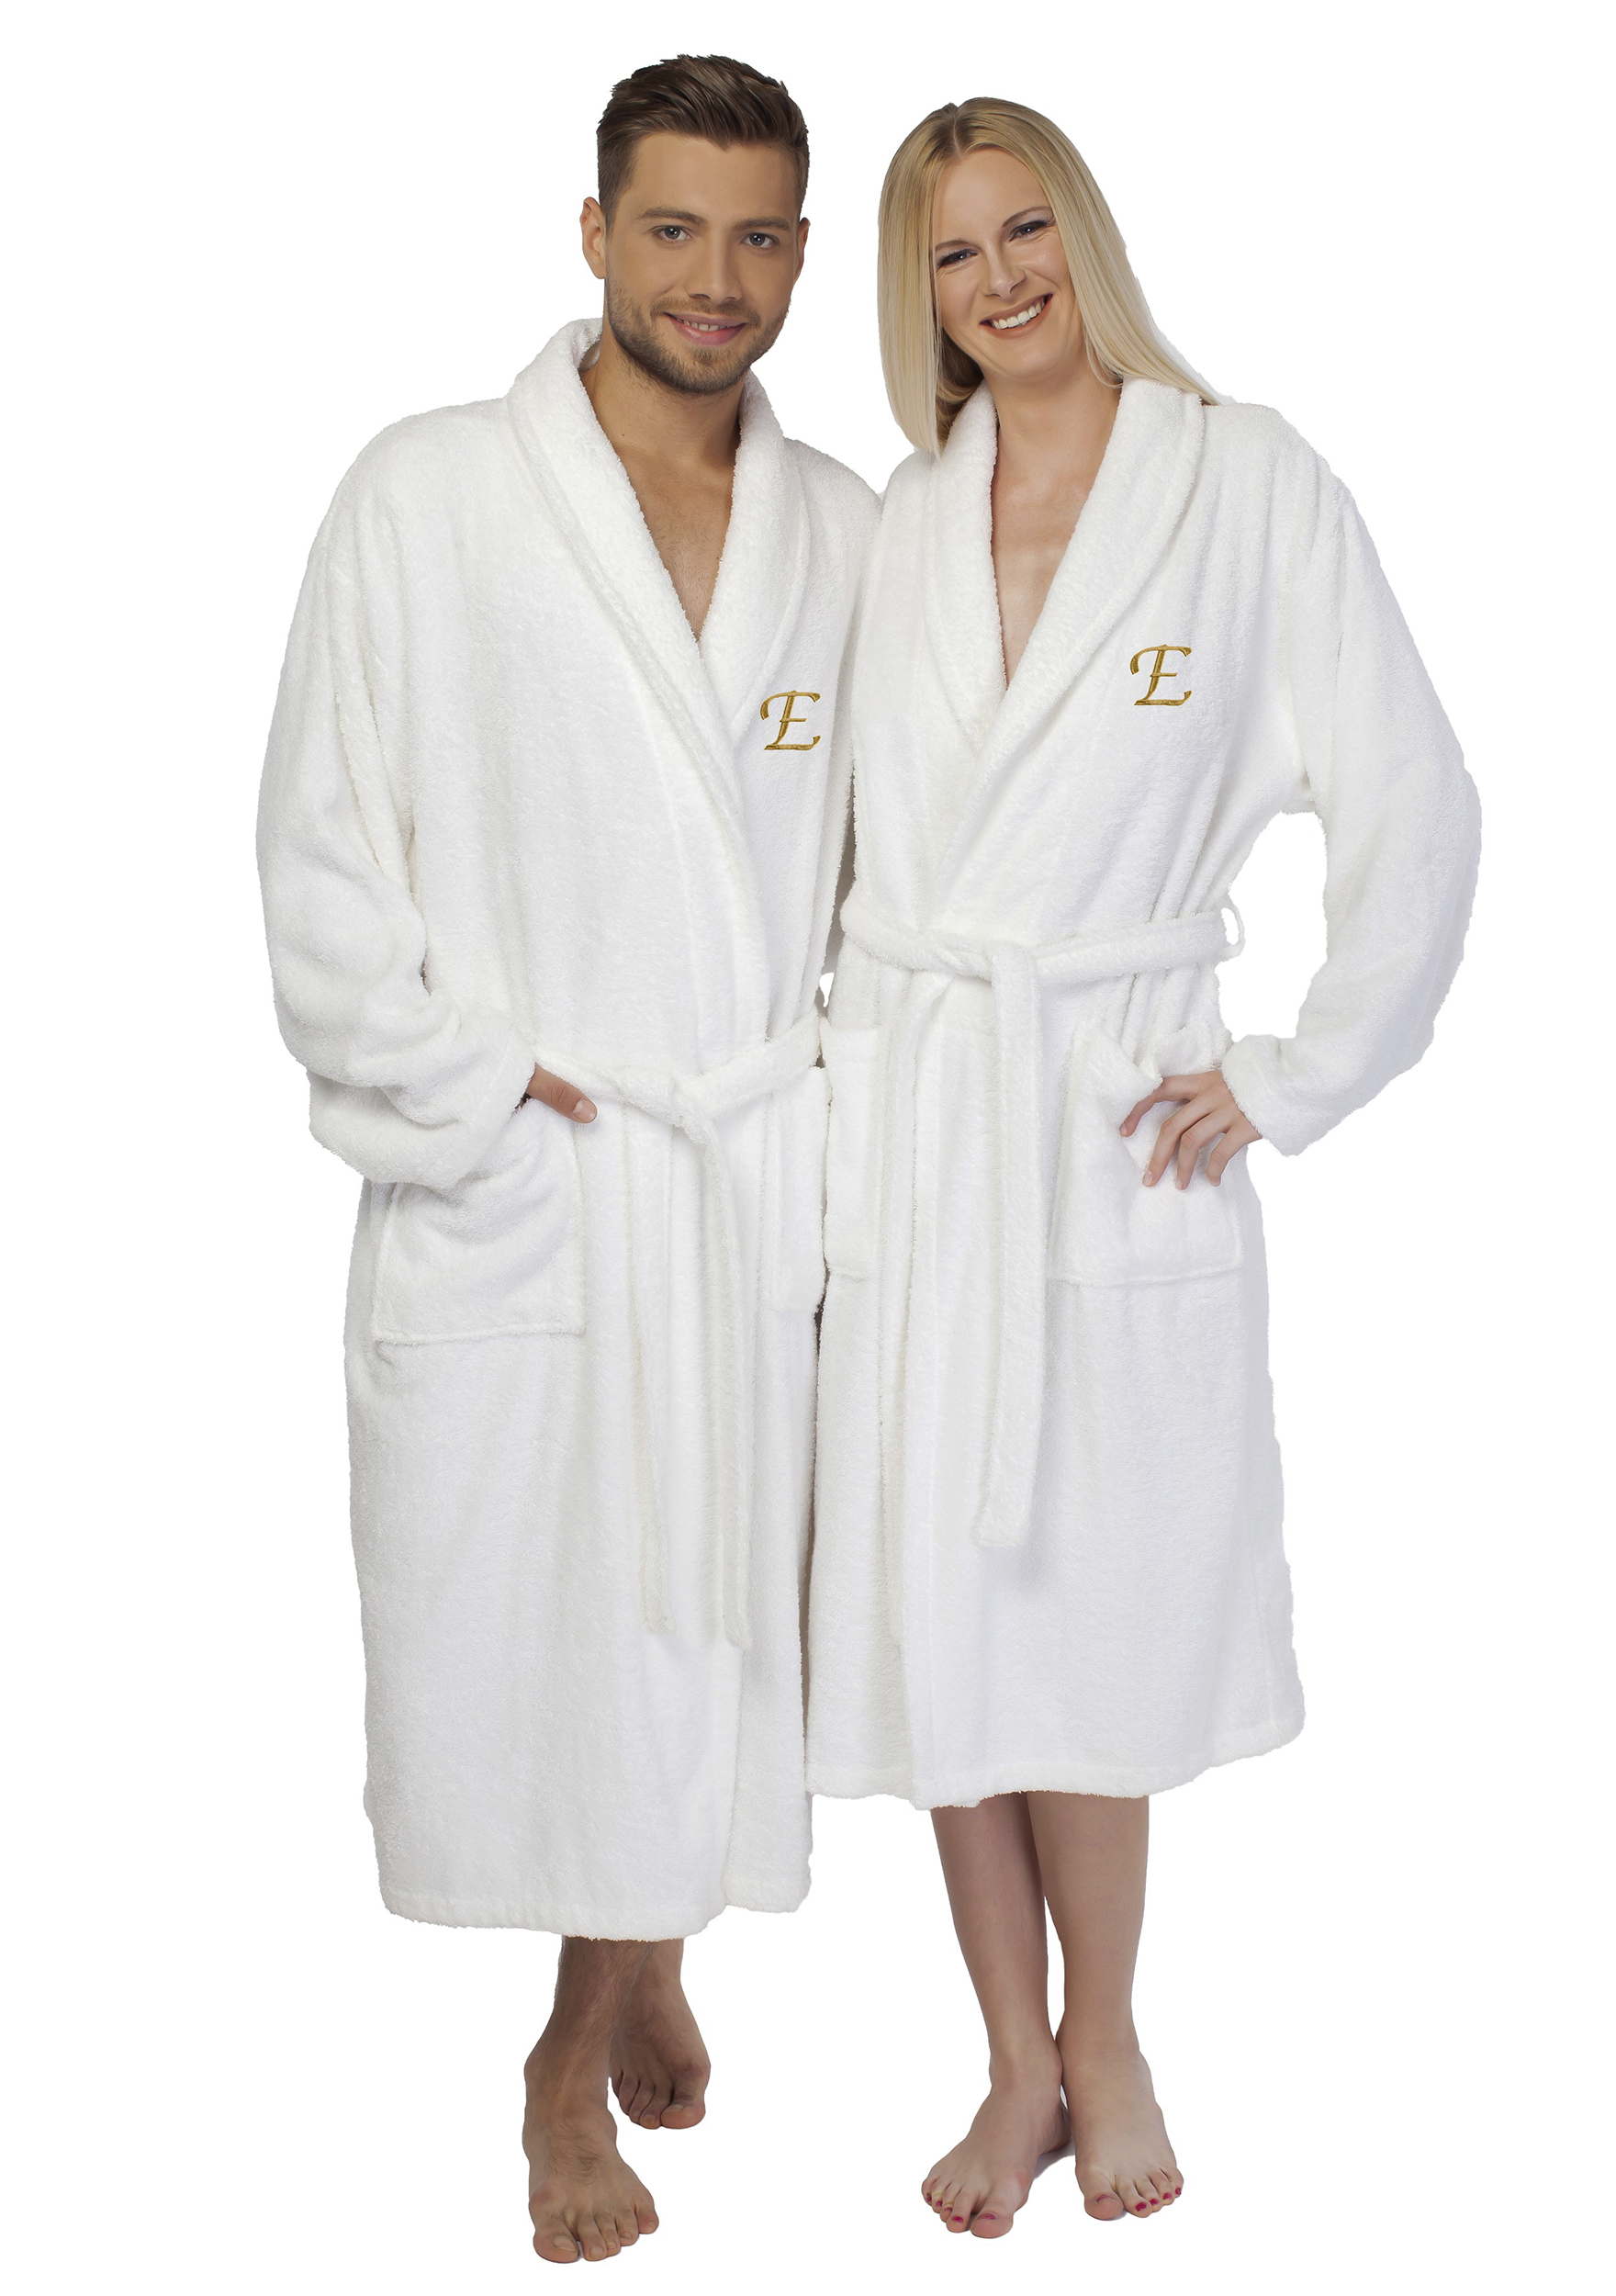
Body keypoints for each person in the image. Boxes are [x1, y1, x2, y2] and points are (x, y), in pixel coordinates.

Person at [807, 98, 1479, 2238]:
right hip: (918, 1126)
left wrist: (1288, 1073)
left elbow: (1416, 801)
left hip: (1105, 1124)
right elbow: (813, 837)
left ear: (1083, 237)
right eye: (949, 252)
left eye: (1024, 229)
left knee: (1082, 1616)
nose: (997, 278)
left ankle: (1108, 2034)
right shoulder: (896, 525)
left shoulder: (1244, 484)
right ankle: (1011, 2056)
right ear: (915, 296)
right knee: (941, 1625)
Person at [257, 54, 875, 2266]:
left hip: (743, 1175)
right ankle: (569, 2041)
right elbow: (323, 858)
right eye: (673, 228)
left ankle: (611, 1984)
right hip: (538, 1171)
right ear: (595, 231)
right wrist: (470, 1086)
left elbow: (885, 878)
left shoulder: (847, 539)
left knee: (717, 1619)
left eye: (759, 235)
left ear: (799, 253)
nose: (716, 278)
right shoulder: (427, 499)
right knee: (562, 1635)